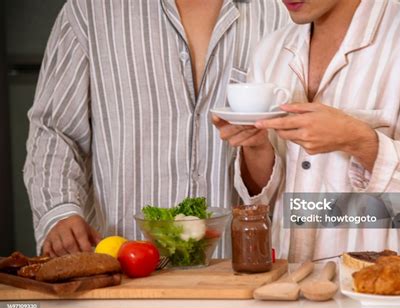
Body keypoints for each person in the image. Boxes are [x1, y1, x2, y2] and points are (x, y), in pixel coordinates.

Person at [213, 0, 400, 264]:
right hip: (291, 288)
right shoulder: (270, 52)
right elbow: (267, 200)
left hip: (389, 294)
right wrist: (256, 147)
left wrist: (359, 142)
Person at [24, 0, 289, 256]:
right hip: (123, 265)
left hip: (238, 272)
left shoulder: (281, 13)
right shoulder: (91, 10)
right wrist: (59, 211)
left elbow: (298, 163)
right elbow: (54, 130)